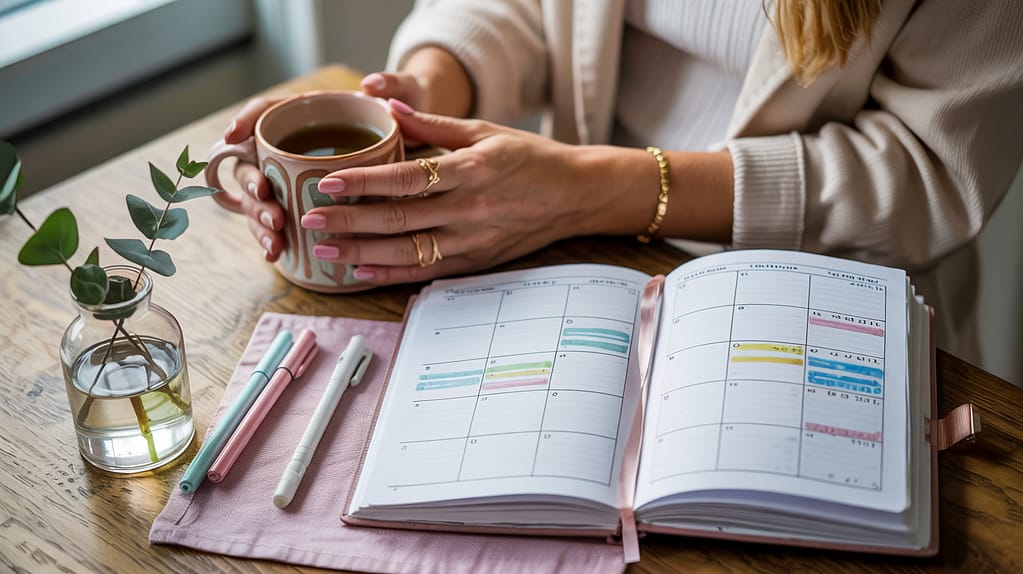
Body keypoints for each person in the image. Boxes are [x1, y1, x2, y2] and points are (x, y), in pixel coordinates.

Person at [221, 0, 1023, 367]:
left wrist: (591, 187)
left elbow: (925, 173)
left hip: (830, 305)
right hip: (569, 249)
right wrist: (416, 98)